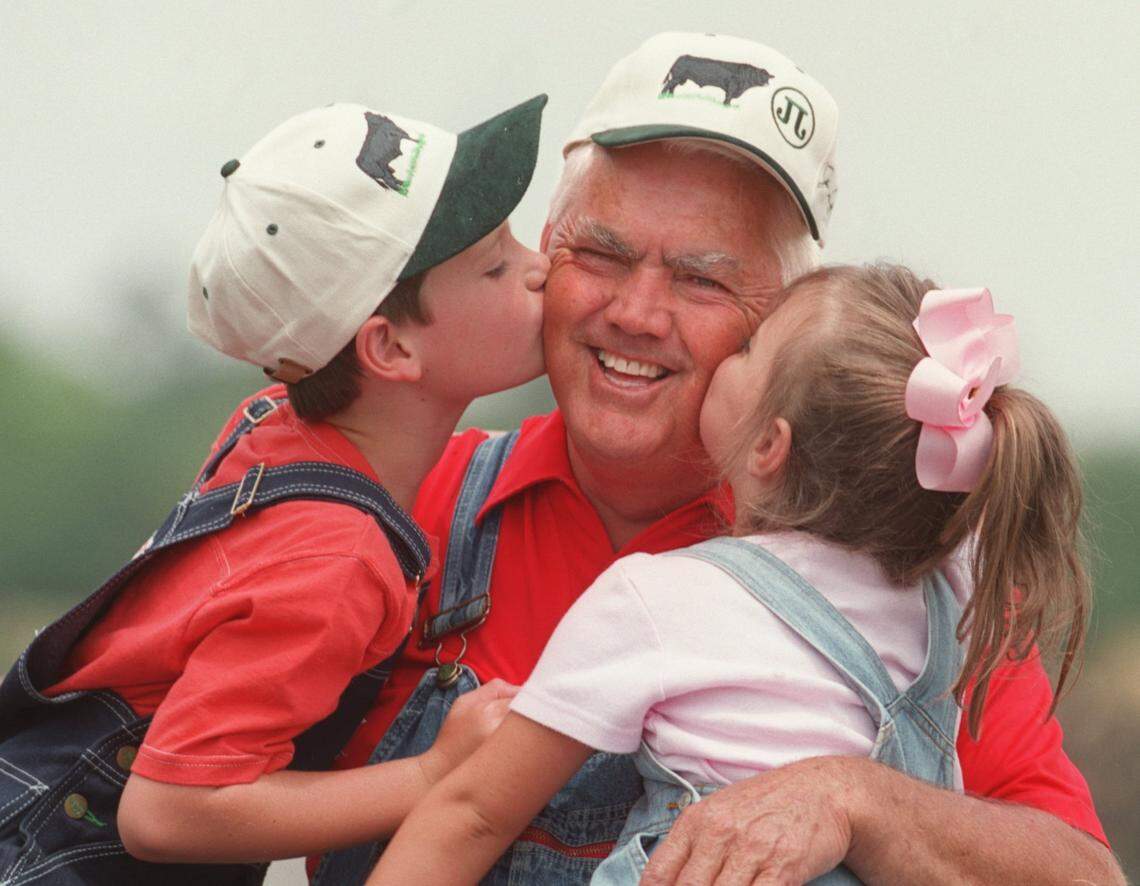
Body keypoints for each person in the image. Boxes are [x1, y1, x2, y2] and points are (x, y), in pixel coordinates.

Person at [316, 33, 1122, 885]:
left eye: (703, 280)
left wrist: (855, 800)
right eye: (602, 254)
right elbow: (177, 779)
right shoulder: (398, 506)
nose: (636, 312)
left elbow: (1085, 875)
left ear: (785, 325)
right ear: (542, 254)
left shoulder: (922, 566)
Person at [366, 264, 1090, 885]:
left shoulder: (656, 598)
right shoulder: (959, 594)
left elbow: (473, 813)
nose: (643, 314)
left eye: (745, 342)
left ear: (772, 443)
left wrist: (852, 799)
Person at [0, 94, 549, 884]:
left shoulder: (269, 427)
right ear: (389, 347)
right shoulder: (338, 557)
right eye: (498, 265)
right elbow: (166, 809)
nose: (540, 269)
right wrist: (434, 777)